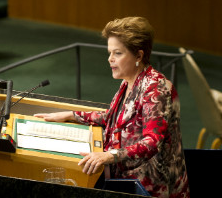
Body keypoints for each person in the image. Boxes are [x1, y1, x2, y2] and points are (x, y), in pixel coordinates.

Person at [34, 17, 190, 198]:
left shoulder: (155, 88)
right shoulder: (129, 81)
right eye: (110, 53)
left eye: (118, 53)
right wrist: (71, 115)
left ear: (138, 56)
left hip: (151, 188)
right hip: (125, 178)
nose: (110, 59)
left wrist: (109, 156)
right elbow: (112, 117)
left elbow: (152, 142)